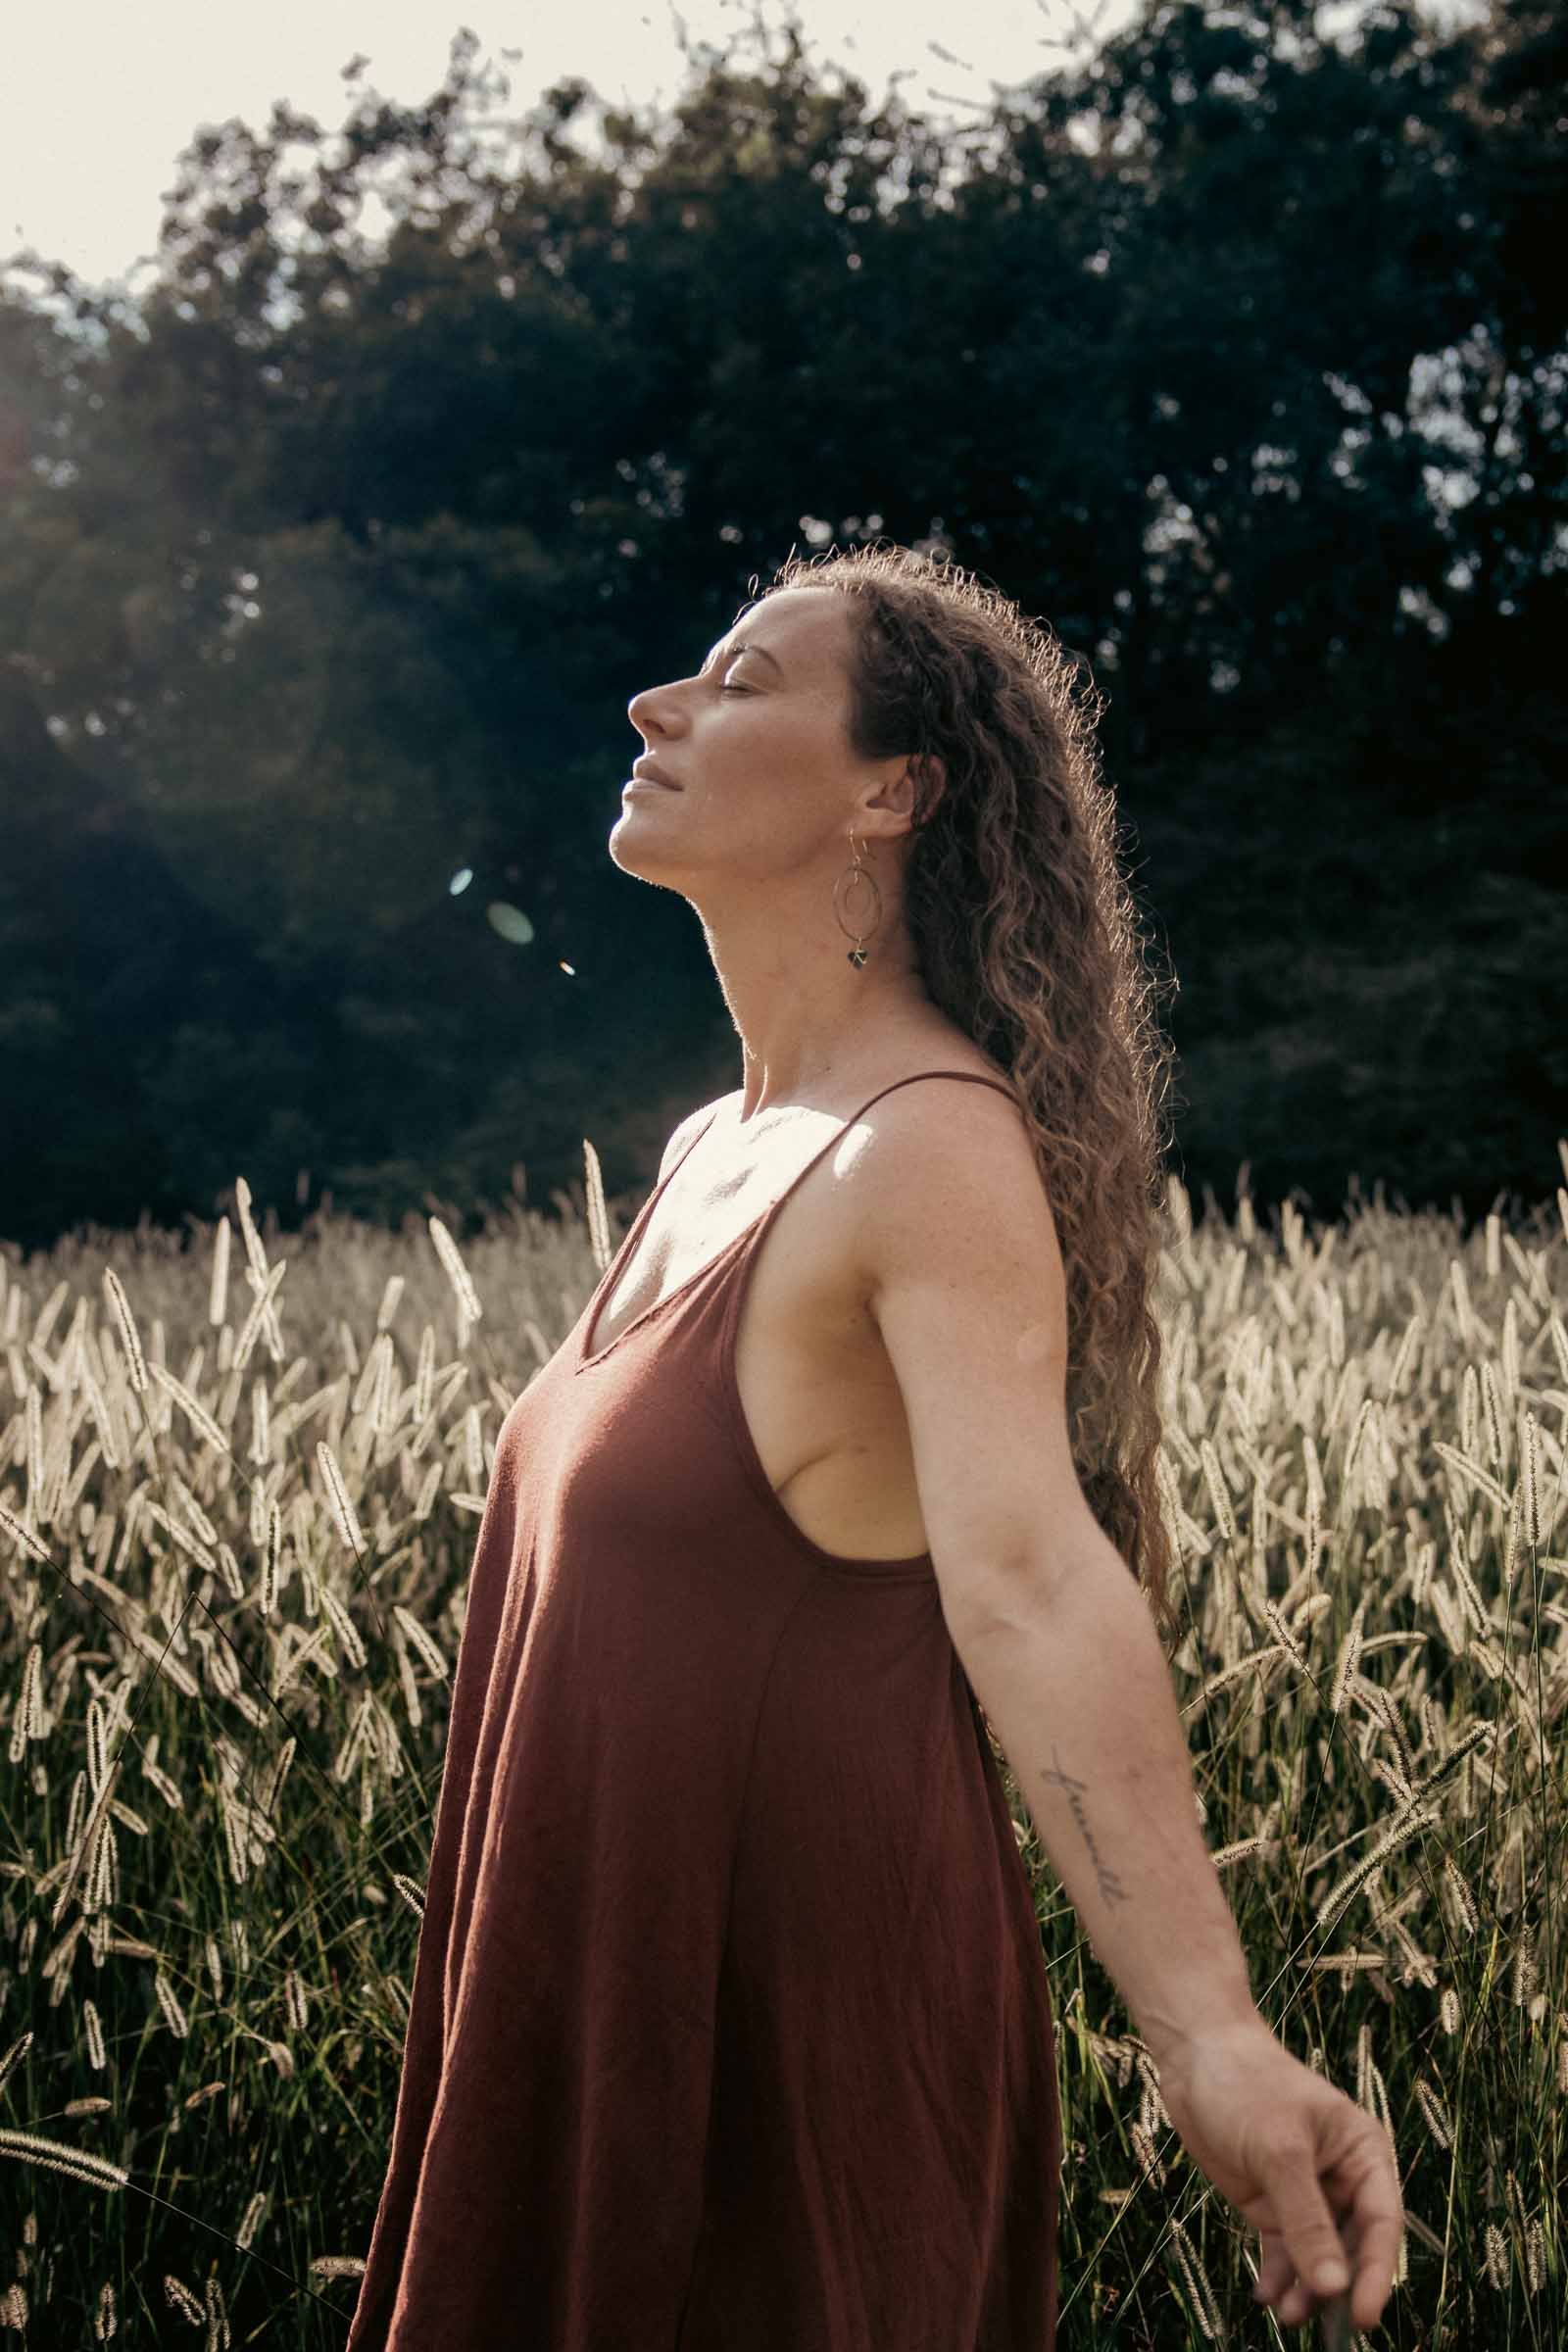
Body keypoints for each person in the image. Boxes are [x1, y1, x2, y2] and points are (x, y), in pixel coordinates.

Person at [347, 544, 1401, 2348]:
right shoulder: (711, 1145)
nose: (657, 706)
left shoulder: (925, 1147)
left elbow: (1034, 1575)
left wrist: (1214, 2033)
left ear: (892, 792)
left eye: (745, 682)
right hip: (589, 2010)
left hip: (773, 2067)